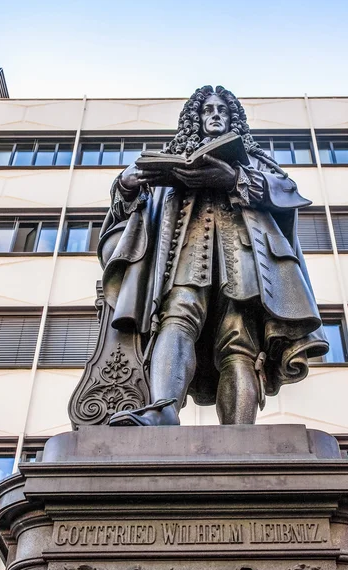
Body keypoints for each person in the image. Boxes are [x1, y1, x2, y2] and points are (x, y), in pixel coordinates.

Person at [97, 85, 328, 426]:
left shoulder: (256, 161)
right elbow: (134, 207)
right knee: (176, 319)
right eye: (207, 110)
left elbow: (286, 192)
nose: (215, 114)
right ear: (196, 118)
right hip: (184, 252)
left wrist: (233, 177)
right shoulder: (171, 155)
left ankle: (240, 430)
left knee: (239, 341)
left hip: (246, 256)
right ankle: (162, 410)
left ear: (233, 118)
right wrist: (128, 184)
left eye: (222, 109)